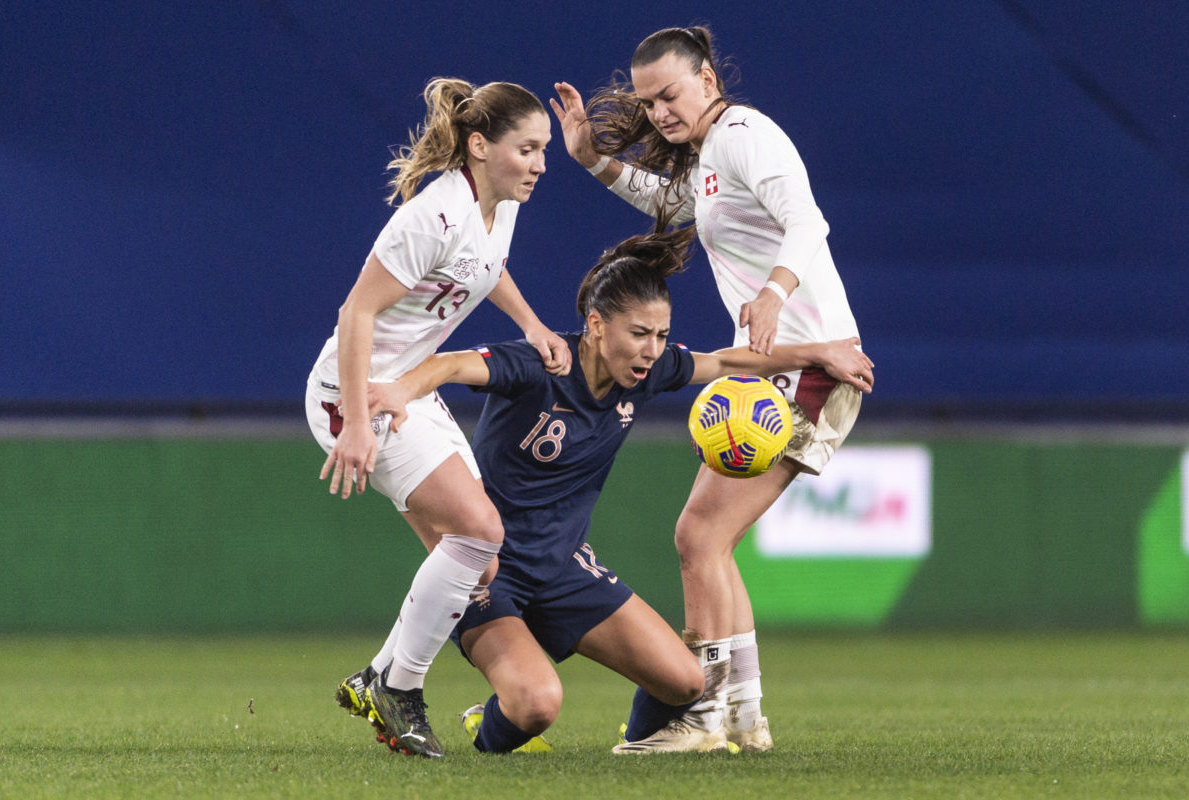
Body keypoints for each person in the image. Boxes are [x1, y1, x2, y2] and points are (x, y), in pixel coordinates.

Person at [360, 228, 873, 754]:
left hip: (562, 569)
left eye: (661, 334)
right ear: (597, 325)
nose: (653, 350)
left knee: (685, 683)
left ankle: (637, 743)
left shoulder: (647, 373)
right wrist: (400, 389)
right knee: (537, 705)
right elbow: (450, 364)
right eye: (639, 333)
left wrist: (818, 354)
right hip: (486, 571)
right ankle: (491, 733)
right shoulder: (542, 365)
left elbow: (727, 362)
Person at [550, 25, 864, 751]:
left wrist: (776, 293)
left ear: (709, 81)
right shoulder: (714, 155)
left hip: (807, 366)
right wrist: (594, 160)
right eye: (649, 101)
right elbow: (676, 204)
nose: (659, 112)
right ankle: (743, 720)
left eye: (670, 94)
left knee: (699, 536)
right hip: (787, 364)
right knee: (708, 541)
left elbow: (807, 220)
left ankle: (702, 715)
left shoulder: (747, 133)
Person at [306, 77, 571, 759]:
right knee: (481, 529)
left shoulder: (499, 205)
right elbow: (354, 313)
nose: (541, 163)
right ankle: (400, 688)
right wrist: (358, 424)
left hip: (407, 389)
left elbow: (486, 269)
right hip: (354, 390)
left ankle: (378, 678)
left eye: (544, 150)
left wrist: (532, 322)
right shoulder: (434, 215)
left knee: (478, 563)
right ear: (481, 146)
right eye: (528, 149)